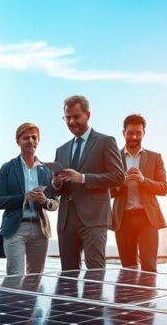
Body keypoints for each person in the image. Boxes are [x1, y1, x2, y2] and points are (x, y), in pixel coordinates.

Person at [51, 95, 125, 275]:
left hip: (94, 220)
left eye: (76, 117)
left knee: (95, 275)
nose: (71, 122)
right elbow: (54, 190)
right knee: (68, 278)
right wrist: (56, 183)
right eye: (67, 117)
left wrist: (83, 178)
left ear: (88, 115)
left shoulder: (105, 141)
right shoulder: (61, 150)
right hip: (66, 221)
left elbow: (118, 177)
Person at [0, 122, 59, 276]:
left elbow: (55, 203)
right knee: (15, 278)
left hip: (40, 230)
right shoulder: (7, 168)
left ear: (38, 141)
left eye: (34, 137)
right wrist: (23, 197)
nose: (31, 141)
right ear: (18, 141)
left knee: (35, 279)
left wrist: (44, 201)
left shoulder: (47, 170)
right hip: (15, 229)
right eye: (26, 138)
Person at [111, 114, 167, 272]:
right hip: (123, 220)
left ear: (144, 133)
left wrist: (143, 181)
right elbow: (105, 192)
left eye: (139, 133)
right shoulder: (113, 158)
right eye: (130, 133)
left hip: (147, 219)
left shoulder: (155, 158)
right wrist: (120, 183)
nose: (134, 137)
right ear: (123, 133)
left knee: (149, 268)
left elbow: (164, 188)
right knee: (128, 268)